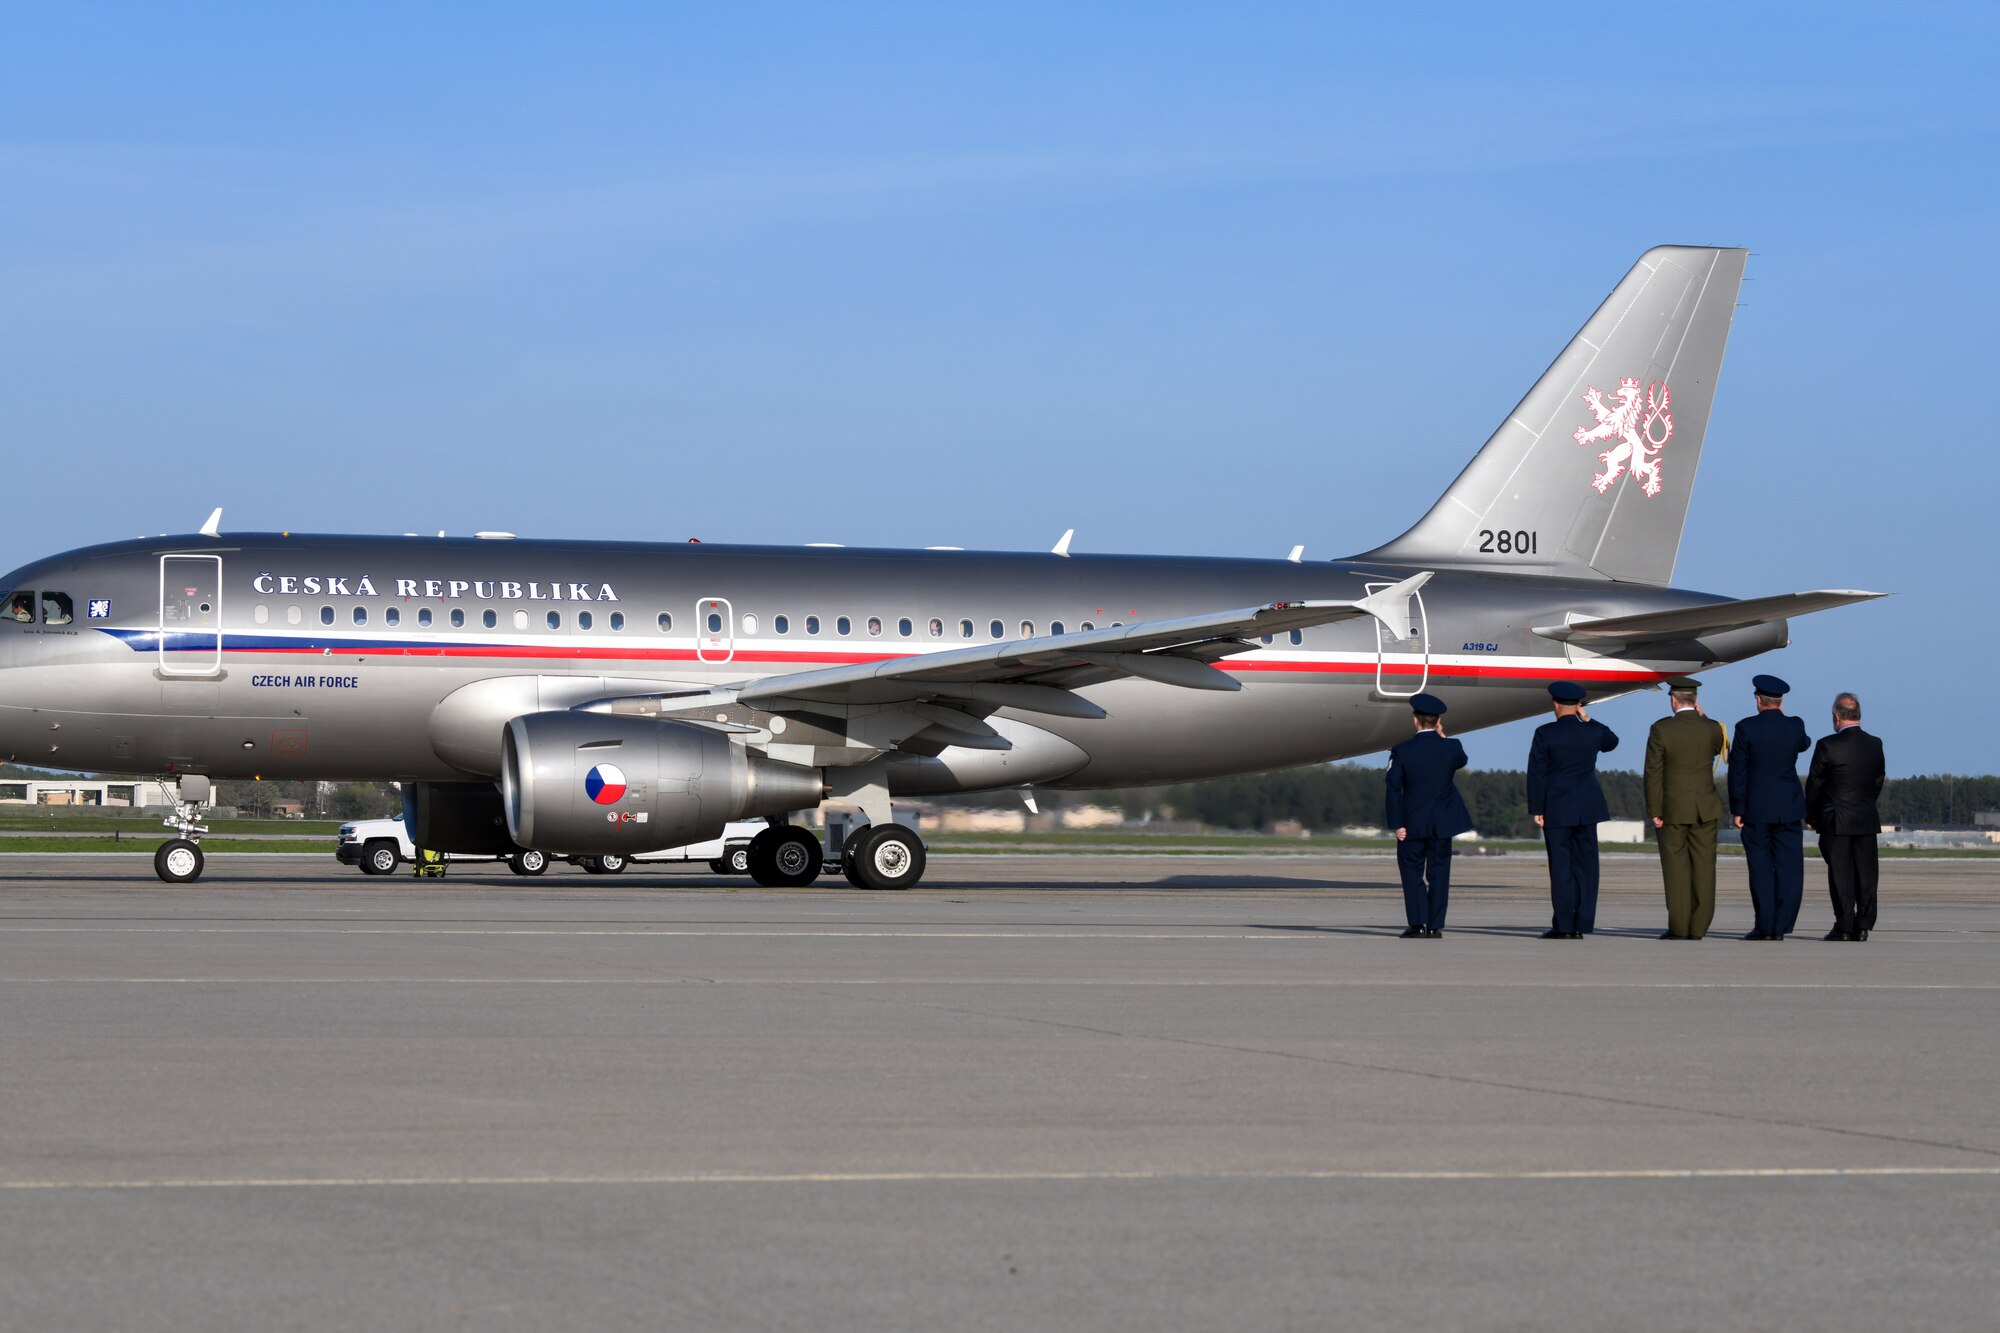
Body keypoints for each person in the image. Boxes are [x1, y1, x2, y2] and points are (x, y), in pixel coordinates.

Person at [1527, 681, 1619, 938]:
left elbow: (1536, 772)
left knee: (1561, 868)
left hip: (1556, 807)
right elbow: (1612, 741)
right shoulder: (1591, 731)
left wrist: (1536, 807)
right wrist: (1588, 720)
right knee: (1587, 867)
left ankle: (1564, 925)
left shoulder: (1545, 733)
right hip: (1588, 807)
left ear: (1555, 705)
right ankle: (1584, 922)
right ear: (1578, 705)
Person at [1728, 674, 1809, 940]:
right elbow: (1804, 743)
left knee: (1761, 869)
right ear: (1781, 700)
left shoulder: (1746, 728)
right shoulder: (1795, 726)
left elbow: (1737, 771)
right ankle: (1782, 924)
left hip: (1756, 807)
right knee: (1790, 869)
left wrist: (1737, 807)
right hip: (1788, 806)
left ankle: (1765, 924)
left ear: (1758, 700)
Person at [1384, 692, 1472, 938]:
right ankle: (1435, 925)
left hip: (1412, 823)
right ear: (1438, 721)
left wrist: (1397, 823)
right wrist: (1443, 737)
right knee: (1439, 874)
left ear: (1415, 720)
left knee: (1412, 873)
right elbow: (1461, 761)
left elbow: (1393, 788)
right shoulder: (1452, 747)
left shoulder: (1402, 751)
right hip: (1442, 824)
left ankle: (1418, 924)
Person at [1644, 678, 1726, 939]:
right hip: (1705, 808)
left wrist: (1655, 809)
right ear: (1695, 700)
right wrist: (1704, 717)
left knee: (1676, 869)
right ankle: (1699, 926)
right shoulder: (1711, 728)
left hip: (1673, 809)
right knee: (1704, 869)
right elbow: (1722, 747)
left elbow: (1653, 772)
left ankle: (1679, 927)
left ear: (1673, 699)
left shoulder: (1661, 729)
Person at [1805, 692, 1885, 941]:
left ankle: (1844, 924)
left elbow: (1815, 784)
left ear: (1836, 716)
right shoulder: (1875, 744)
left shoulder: (1827, 745)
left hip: (1836, 819)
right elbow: (1877, 780)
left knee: (1840, 873)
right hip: (1865, 816)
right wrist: (1866, 803)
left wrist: (1811, 814)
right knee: (1867, 873)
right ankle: (1863, 925)